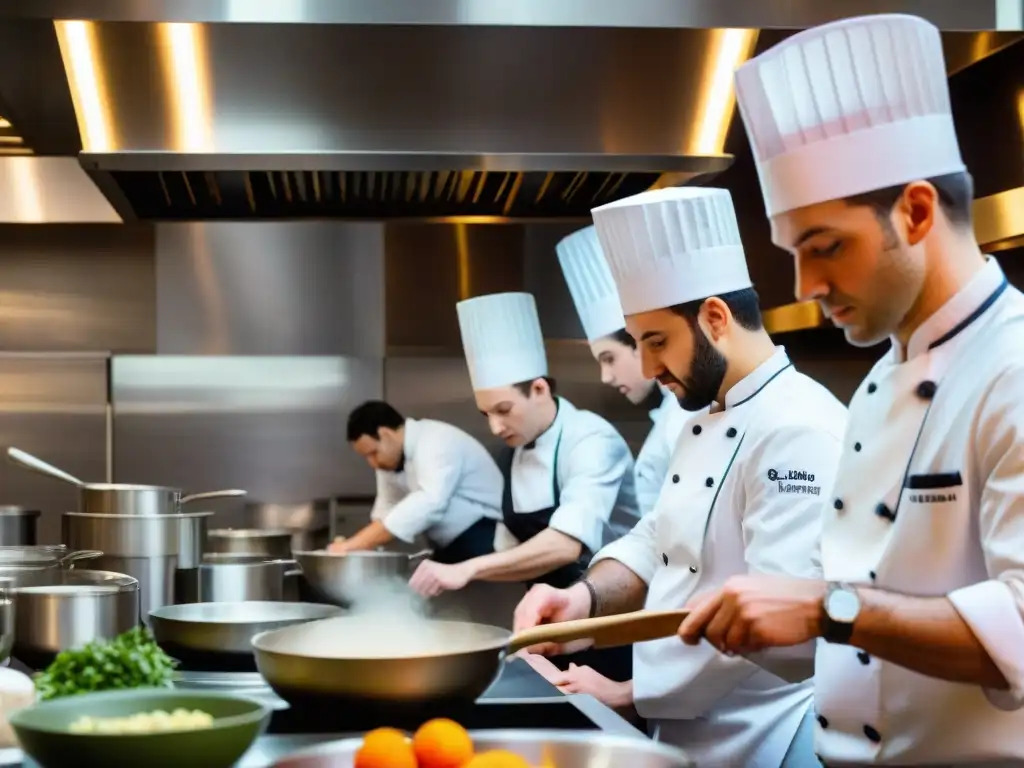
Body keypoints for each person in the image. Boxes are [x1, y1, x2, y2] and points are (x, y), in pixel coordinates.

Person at [678, 13, 1024, 767]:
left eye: (825, 247)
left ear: (917, 211)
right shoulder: (877, 380)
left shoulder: (1014, 369)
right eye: (792, 254)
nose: (805, 287)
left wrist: (823, 609)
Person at [513, 186, 848, 765]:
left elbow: (775, 622)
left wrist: (635, 693)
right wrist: (585, 600)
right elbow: (658, 538)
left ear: (715, 318)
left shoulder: (798, 428)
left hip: (771, 736)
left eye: (656, 341)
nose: (646, 367)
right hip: (696, 731)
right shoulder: (707, 415)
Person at [409, 291, 640, 682]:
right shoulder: (511, 454)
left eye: (503, 410)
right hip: (549, 629)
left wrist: (467, 569)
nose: (495, 427)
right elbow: (509, 550)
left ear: (539, 389)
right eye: (486, 414)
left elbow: (566, 543)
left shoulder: (591, 440)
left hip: (613, 625)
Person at [556, 224, 687, 517]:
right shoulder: (669, 417)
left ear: (640, 342)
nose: (606, 377)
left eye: (609, 358)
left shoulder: (687, 418)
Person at [329, 400, 502, 564]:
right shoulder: (389, 460)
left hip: (486, 534)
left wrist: (354, 544)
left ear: (385, 434)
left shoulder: (436, 441)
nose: (372, 463)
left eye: (373, 453)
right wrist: (361, 546)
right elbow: (387, 506)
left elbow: (430, 502)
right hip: (449, 546)